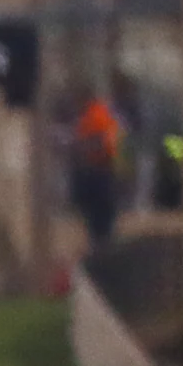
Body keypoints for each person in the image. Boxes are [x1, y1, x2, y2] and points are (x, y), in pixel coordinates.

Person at [70, 89, 125, 248]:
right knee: (98, 220)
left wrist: (83, 149)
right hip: (99, 171)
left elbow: (100, 141)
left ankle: (103, 246)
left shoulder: (96, 115)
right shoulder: (92, 115)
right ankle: (102, 244)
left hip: (98, 171)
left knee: (100, 219)